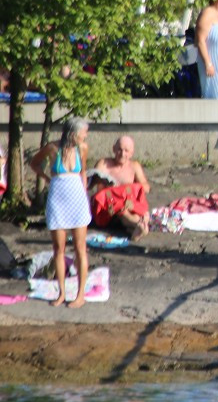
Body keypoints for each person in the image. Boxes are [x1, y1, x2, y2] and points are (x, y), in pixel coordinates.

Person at [29, 118, 92, 308]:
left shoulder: (82, 148)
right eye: (84, 132)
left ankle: (80, 294)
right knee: (59, 248)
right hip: (57, 200)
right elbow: (35, 163)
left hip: (77, 200)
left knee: (80, 247)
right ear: (73, 133)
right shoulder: (52, 148)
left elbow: (83, 172)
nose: (86, 135)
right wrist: (47, 178)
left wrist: (84, 194)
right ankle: (62, 292)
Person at [89, 136, 151, 240]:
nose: (122, 154)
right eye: (119, 149)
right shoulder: (104, 164)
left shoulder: (134, 166)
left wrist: (126, 190)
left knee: (132, 209)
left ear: (132, 153)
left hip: (128, 205)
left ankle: (136, 230)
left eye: (126, 151)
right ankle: (139, 224)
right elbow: (93, 185)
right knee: (122, 209)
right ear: (113, 149)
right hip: (109, 208)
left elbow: (146, 187)